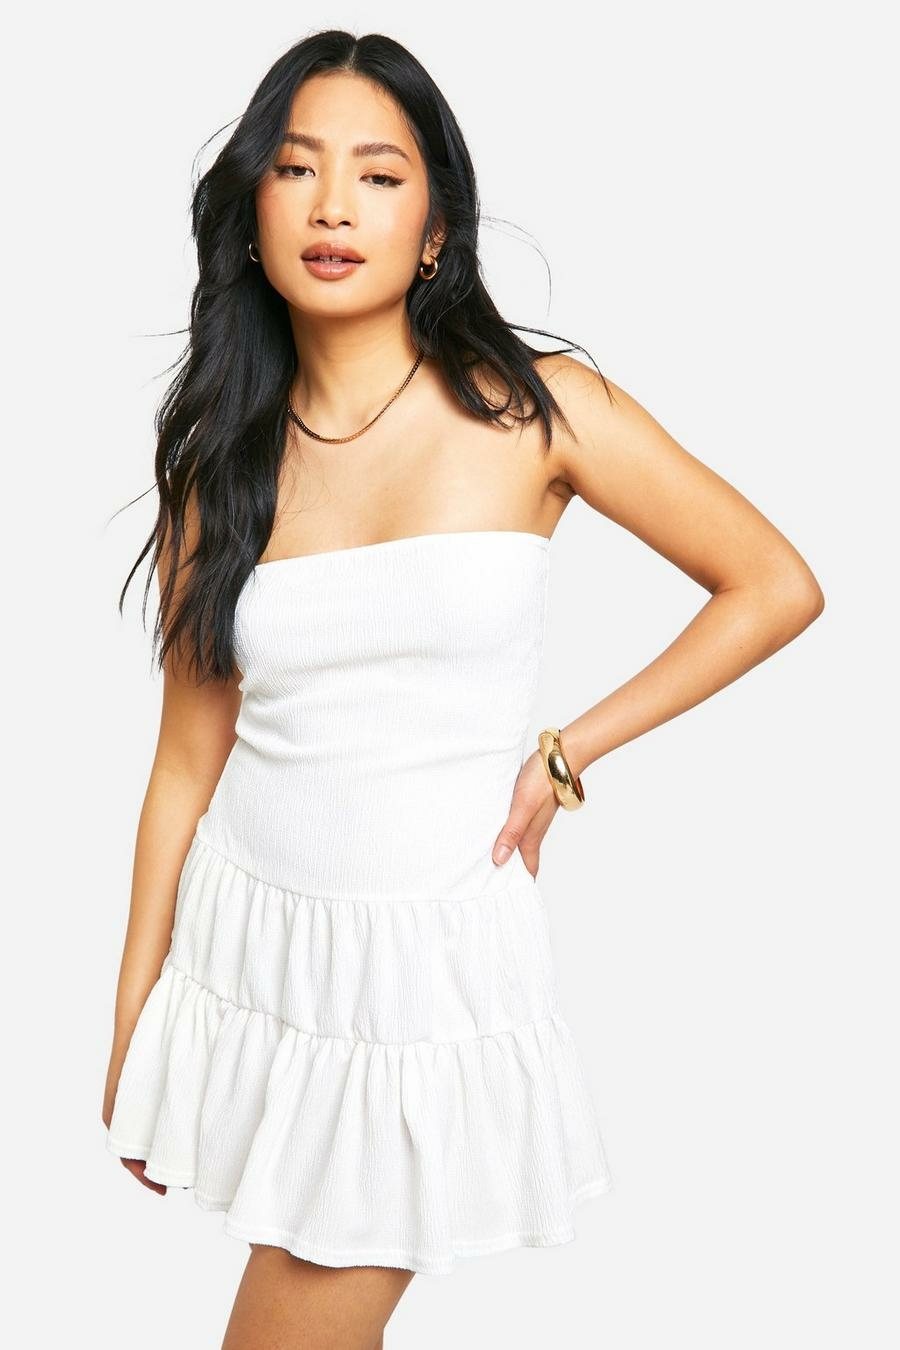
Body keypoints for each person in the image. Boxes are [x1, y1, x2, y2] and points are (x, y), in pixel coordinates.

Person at [101, 28, 824, 1350]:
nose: (332, 205)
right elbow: (184, 762)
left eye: (378, 176)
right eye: (297, 168)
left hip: (423, 972)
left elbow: (772, 583)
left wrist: (569, 751)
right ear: (252, 208)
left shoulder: (538, 410)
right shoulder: (223, 466)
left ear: (435, 230)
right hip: (259, 951)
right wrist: (133, 1017)